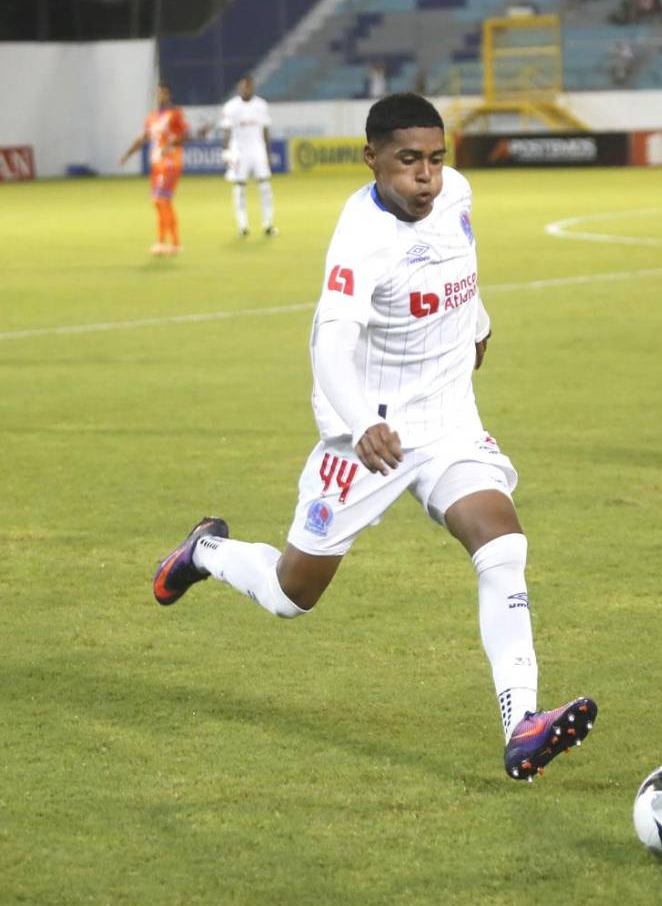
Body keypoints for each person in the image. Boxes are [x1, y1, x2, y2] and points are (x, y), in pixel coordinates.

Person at [152, 93, 597, 781]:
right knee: (289, 594)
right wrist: (364, 425)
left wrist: (477, 322)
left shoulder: (457, 196)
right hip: (369, 435)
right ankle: (206, 551)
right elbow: (329, 349)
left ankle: (523, 724)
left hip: (448, 419)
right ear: (372, 159)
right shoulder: (361, 240)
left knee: (502, 543)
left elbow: (459, 267)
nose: (426, 176)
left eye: (436, 160)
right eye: (409, 161)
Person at [119, 81, 191, 255]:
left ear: (169, 95)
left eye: (164, 93)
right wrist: (128, 154)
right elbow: (144, 138)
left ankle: (173, 243)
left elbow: (187, 135)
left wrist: (172, 144)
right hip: (157, 164)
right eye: (158, 93)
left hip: (171, 162)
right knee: (159, 203)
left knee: (161, 200)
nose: (161, 96)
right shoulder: (152, 117)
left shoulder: (175, 114)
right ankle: (164, 242)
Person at [220, 76, 277, 237]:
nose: (246, 89)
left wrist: (268, 153)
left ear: (252, 88)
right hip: (239, 150)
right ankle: (243, 226)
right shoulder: (231, 107)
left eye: (248, 87)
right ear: (239, 88)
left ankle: (268, 225)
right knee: (239, 188)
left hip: (257, 149)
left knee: (265, 187)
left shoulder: (261, 105)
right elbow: (226, 131)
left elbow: (265, 131)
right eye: (243, 87)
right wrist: (227, 153)